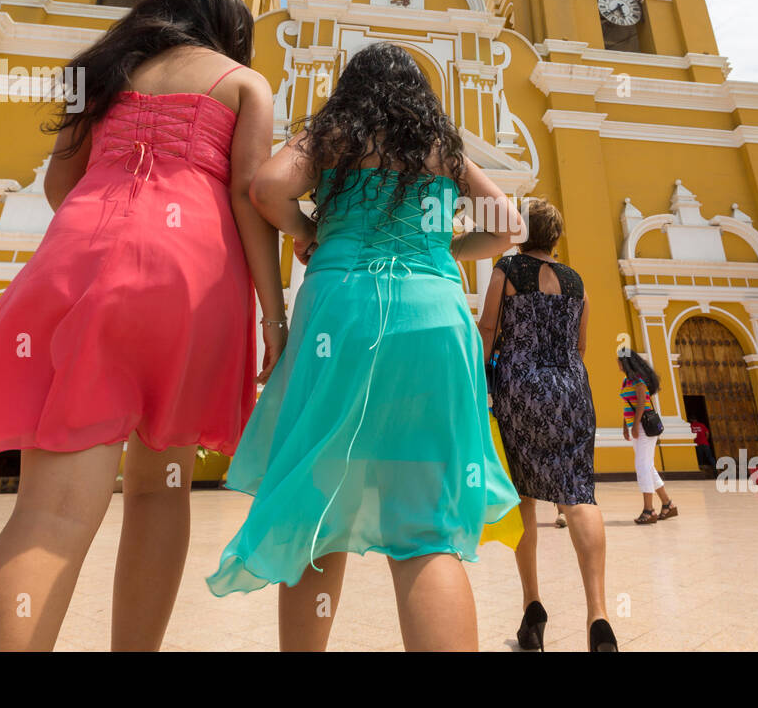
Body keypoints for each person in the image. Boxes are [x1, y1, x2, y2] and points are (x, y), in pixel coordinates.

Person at [0, 0, 286, 651]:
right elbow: (253, 204)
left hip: (77, 256)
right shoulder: (243, 83)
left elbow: (58, 183)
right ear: (231, 34)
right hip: (189, 278)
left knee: (48, 515)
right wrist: (273, 319)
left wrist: (100, 239)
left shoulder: (102, 73)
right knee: (160, 490)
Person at [207, 42, 522, 652]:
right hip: (435, 316)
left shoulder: (336, 134)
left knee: (316, 505)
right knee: (427, 527)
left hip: (343, 312)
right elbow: (508, 224)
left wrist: (310, 231)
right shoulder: (443, 149)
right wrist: (446, 253)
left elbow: (268, 186)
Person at [480, 197, 618, 652]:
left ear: (521, 231)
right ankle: (598, 616)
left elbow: (487, 329)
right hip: (571, 391)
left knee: (523, 493)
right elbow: (580, 345)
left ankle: (532, 607)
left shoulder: (507, 269)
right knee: (579, 494)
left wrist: (481, 378)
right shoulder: (577, 282)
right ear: (556, 237)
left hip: (518, 388)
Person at [620, 352, 677, 523]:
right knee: (648, 466)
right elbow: (627, 404)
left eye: (620, 361)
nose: (618, 365)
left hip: (644, 428)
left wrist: (636, 425)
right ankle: (668, 504)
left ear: (627, 362)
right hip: (635, 426)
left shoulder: (638, 380)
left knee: (642, 466)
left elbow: (641, 404)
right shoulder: (626, 381)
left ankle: (649, 509)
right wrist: (626, 426)